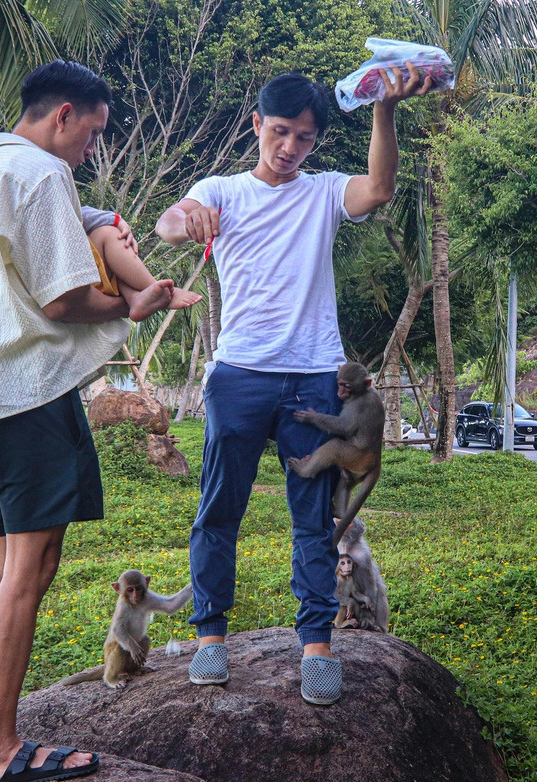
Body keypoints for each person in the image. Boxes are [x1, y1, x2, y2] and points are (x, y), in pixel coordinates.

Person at [0, 59, 167, 782]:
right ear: (63, 116)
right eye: (93, 133)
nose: (92, 150)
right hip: (28, 393)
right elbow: (63, 300)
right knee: (29, 571)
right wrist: (131, 304)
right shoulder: (37, 175)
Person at [155, 67, 430, 705]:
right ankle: (210, 636)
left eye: (304, 139)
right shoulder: (220, 190)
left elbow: (380, 188)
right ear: (257, 125)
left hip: (314, 377)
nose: (289, 148)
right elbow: (174, 220)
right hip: (240, 376)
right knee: (219, 507)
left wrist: (383, 109)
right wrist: (187, 217)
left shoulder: (325, 191)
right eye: (280, 132)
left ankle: (316, 644)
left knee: (314, 517)